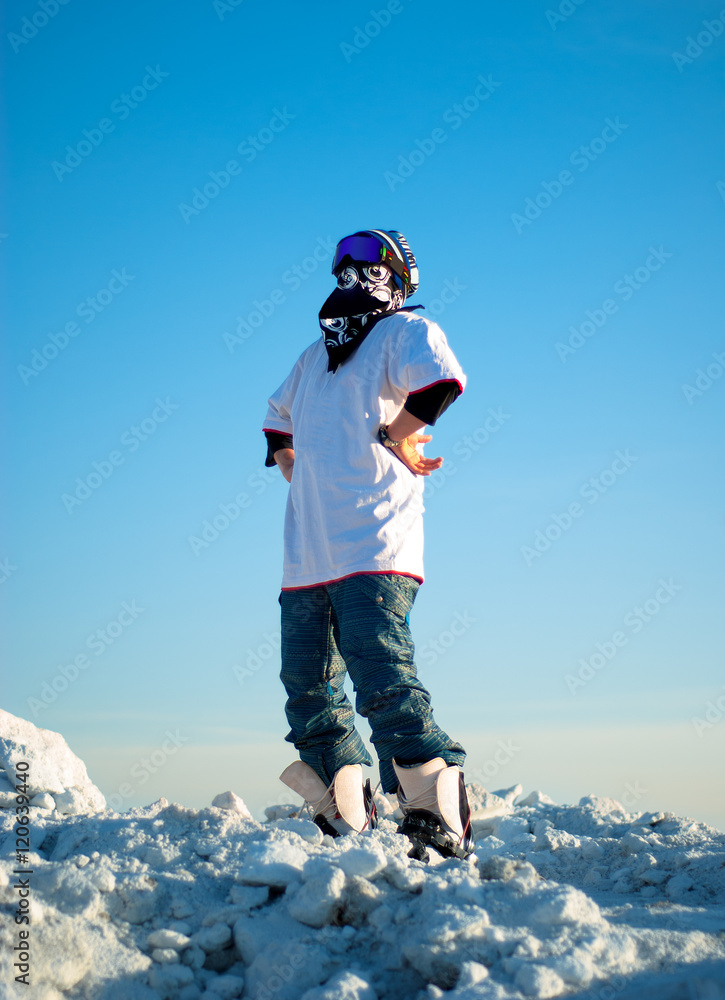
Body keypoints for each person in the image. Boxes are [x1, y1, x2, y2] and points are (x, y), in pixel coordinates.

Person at [262, 229, 473, 860]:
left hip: (376, 543)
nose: (351, 273)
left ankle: (435, 812)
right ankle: (343, 809)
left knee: (381, 676)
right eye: (341, 264)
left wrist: (395, 433)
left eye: (368, 262)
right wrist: (300, 472)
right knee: (307, 684)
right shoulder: (313, 358)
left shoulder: (404, 331)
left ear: (397, 275)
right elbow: (277, 421)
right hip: (307, 554)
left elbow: (440, 384)